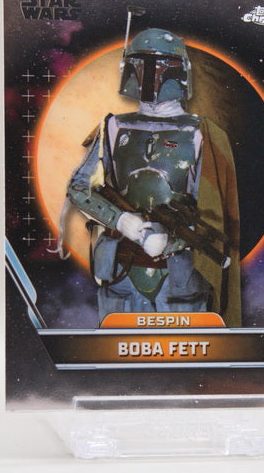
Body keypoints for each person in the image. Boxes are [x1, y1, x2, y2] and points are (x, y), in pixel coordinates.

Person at [64, 28, 242, 326]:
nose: (151, 75)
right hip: (121, 271)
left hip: (181, 277)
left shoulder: (202, 134)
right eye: (143, 64)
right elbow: (79, 189)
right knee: (118, 347)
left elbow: (213, 215)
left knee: (184, 350)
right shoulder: (112, 127)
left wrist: (170, 241)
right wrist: (124, 222)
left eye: (160, 65)